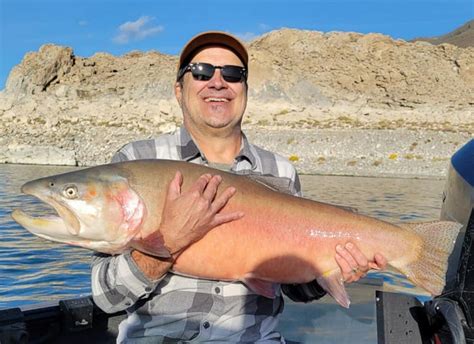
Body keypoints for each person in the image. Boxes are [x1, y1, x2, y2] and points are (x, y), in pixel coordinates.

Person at [91, 31, 387, 343]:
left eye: (233, 74)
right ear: (179, 90)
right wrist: (167, 244)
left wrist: (332, 270)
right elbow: (107, 297)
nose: (218, 82)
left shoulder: (281, 172)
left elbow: (294, 287)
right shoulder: (136, 161)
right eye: (202, 71)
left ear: (244, 90)